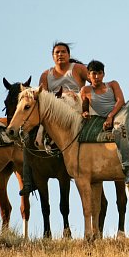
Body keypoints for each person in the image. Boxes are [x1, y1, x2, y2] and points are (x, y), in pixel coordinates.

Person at [19, 42, 90, 196]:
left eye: (63, 52)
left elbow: (94, 82)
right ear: (52, 56)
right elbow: (41, 97)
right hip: (54, 113)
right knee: (28, 136)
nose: (60, 55)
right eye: (57, 52)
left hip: (75, 108)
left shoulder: (77, 69)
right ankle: (28, 180)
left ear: (69, 55)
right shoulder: (46, 75)